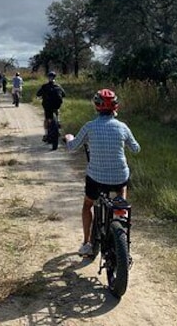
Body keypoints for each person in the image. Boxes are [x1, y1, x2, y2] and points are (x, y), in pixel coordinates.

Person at [62, 89, 140, 257]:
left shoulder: (89, 127)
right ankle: (121, 208)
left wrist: (69, 137)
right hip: (119, 177)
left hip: (96, 178)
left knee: (87, 205)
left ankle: (87, 243)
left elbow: (72, 147)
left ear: (96, 107)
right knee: (122, 182)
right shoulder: (123, 127)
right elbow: (136, 149)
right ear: (115, 107)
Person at [36, 71, 65, 139]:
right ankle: (58, 125)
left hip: (47, 107)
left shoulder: (44, 86)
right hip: (56, 106)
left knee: (46, 119)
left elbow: (38, 94)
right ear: (55, 77)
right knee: (57, 113)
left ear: (48, 78)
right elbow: (64, 94)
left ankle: (46, 134)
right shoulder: (58, 86)